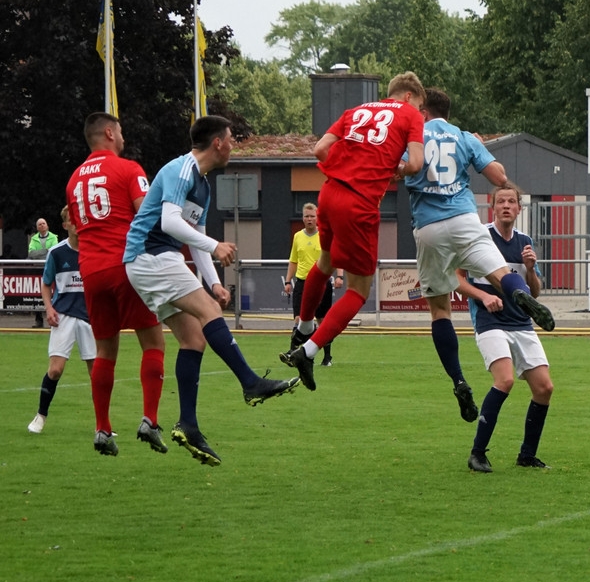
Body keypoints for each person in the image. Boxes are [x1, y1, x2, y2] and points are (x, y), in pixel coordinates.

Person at [124, 115, 300, 466]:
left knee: (194, 339)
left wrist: (215, 281)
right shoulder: (182, 170)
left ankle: (188, 425)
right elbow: (169, 222)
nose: (233, 145)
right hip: (150, 256)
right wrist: (216, 246)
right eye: (231, 139)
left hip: (152, 260)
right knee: (210, 312)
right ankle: (250, 382)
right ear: (217, 142)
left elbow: (196, 240)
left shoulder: (203, 185)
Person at [404, 87, 554, 423]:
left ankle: (458, 381)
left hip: (428, 226)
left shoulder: (413, 136)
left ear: (424, 111)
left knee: (440, 311)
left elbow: (401, 168)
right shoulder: (462, 136)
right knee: (500, 274)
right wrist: (477, 147)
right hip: (464, 219)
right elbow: (500, 177)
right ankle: (520, 294)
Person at [279, 72, 427, 391]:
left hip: (329, 192)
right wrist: (396, 170)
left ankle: (303, 328)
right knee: (358, 290)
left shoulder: (356, 110)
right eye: (419, 105)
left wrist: (348, 167)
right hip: (359, 203)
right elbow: (416, 163)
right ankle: (308, 351)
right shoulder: (410, 114)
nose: (420, 112)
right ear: (409, 96)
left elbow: (320, 149)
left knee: (325, 262)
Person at [66, 112, 168, 457]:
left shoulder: (74, 179)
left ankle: (102, 428)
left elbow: (78, 230)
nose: (123, 137)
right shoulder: (128, 169)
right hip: (125, 265)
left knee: (105, 351)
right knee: (153, 342)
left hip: (90, 271)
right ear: (109, 133)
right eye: (120, 131)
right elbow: (148, 214)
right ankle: (150, 419)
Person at [456, 183, 554, 472]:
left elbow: (534, 293)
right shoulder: (479, 238)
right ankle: (477, 453)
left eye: (512, 201)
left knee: (544, 388)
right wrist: (483, 296)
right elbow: (456, 279)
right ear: (493, 207)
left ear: (519, 208)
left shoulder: (525, 241)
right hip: (490, 323)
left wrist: (531, 268)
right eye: (501, 201)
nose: (507, 206)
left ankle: (527, 455)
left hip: (521, 323)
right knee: (505, 381)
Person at [27, 207, 96, 434]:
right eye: (71, 221)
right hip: (63, 316)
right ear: (65, 225)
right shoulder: (56, 252)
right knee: (55, 370)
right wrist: (49, 308)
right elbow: (46, 283)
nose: (77, 224)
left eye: (80, 219)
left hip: (90, 317)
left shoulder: (95, 249)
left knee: (96, 373)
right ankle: (40, 416)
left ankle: (103, 425)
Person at [283, 202, 341, 366]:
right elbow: (293, 260)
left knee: (323, 320)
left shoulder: (324, 235)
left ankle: (327, 357)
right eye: (306, 216)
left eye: (312, 216)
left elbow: (336, 256)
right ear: (302, 218)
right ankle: (292, 352)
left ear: (317, 218)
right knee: (298, 318)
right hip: (302, 282)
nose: (309, 219)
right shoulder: (297, 236)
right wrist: (288, 280)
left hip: (322, 282)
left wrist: (339, 276)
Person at [27, 217, 59, 327]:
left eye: (43, 223)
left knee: (52, 294)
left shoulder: (54, 237)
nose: (42, 225)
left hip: (51, 269)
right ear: (37, 228)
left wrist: (40, 253)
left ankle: (54, 317)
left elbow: (54, 252)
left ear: (47, 225)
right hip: (37, 270)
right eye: (39, 224)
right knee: (36, 295)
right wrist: (46, 251)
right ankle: (38, 320)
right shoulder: (34, 238)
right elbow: (31, 254)